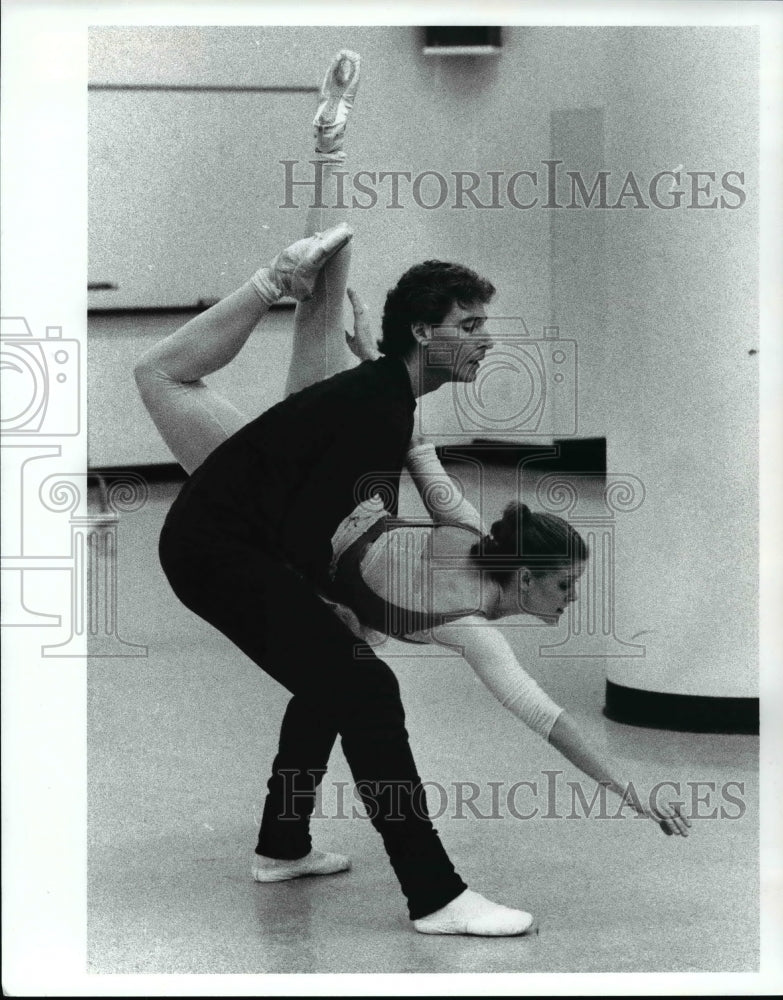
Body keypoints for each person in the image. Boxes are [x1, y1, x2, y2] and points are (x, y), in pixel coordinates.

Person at [135, 49, 689, 938]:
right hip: (226, 541)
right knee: (361, 685)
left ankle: (282, 846)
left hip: (262, 502)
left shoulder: (453, 512)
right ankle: (435, 895)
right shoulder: (456, 579)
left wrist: (630, 790)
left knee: (334, 667)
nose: (572, 602)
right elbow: (537, 711)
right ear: (527, 575)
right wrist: (323, 593)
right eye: (470, 328)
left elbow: (421, 460)